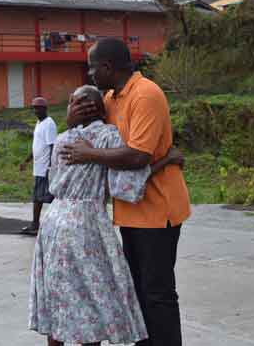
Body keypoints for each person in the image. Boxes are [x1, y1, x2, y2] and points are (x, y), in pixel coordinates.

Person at [29, 86, 184, 346]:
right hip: (86, 225)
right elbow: (124, 186)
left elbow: (53, 181)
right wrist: (166, 160)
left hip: (54, 221)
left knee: (58, 294)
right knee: (91, 298)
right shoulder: (109, 137)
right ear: (102, 110)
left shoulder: (64, 139)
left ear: (73, 108)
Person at [61, 38, 191, 346]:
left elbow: (138, 156)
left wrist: (88, 154)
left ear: (107, 66)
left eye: (92, 67)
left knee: (157, 293)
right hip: (130, 210)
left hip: (158, 211)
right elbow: (87, 124)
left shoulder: (145, 95)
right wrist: (70, 121)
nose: (90, 73)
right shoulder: (111, 97)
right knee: (136, 290)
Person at [19, 97, 58, 235]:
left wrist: (50, 167)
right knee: (41, 198)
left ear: (45, 109)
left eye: (38, 108)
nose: (36, 111)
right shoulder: (39, 123)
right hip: (38, 167)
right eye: (34, 108)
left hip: (45, 168)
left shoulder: (49, 124)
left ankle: (38, 225)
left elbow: (53, 146)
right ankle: (38, 224)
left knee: (44, 198)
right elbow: (37, 146)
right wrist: (26, 161)